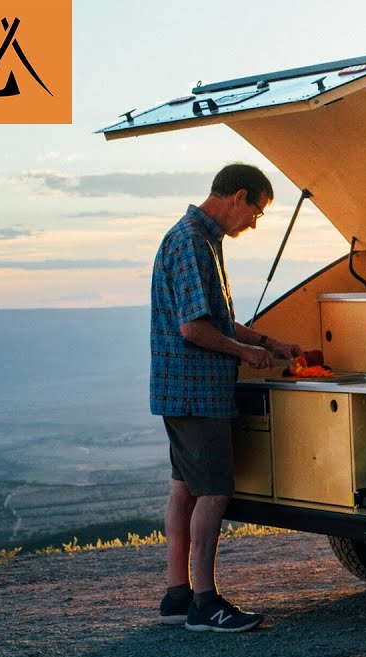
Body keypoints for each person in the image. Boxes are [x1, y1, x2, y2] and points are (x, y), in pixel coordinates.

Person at [150, 163, 300, 632]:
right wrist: (245, 354)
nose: (254, 222)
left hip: (180, 389)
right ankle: (205, 603)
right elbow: (194, 329)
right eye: (257, 211)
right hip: (198, 390)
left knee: (184, 489)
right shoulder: (193, 242)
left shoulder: (197, 237)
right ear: (239, 197)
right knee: (214, 493)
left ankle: (177, 596)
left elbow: (216, 319)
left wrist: (268, 343)